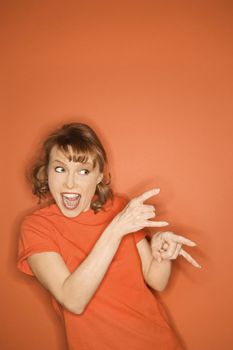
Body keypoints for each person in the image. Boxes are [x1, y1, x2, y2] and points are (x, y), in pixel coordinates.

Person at [17, 122, 201, 350]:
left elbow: (156, 280)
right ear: (46, 172)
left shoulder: (119, 208)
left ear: (98, 177)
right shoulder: (37, 227)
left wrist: (162, 255)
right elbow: (73, 300)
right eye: (60, 169)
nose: (70, 182)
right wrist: (115, 229)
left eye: (83, 171)